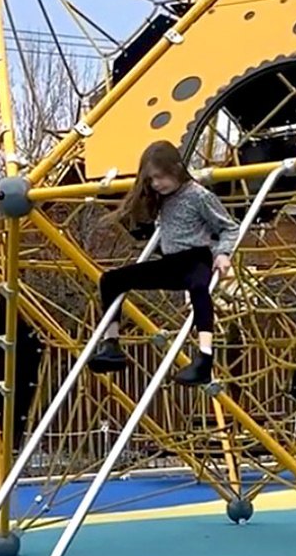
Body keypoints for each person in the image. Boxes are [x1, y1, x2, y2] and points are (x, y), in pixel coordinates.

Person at [87, 140, 240, 386]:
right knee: (111, 280)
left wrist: (223, 253)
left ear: (176, 169)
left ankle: (204, 357)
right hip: (171, 262)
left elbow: (229, 227)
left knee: (199, 289)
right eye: (151, 180)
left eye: (160, 177)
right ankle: (112, 343)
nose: (156, 184)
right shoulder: (161, 197)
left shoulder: (199, 196)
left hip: (196, 257)